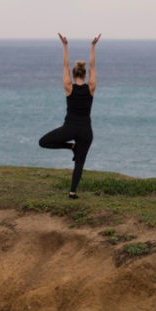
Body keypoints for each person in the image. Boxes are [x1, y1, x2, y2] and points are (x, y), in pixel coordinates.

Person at [39, 33, 101, 199]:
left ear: (74, 75)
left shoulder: (68, 87)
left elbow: (65, 66)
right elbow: (93, 66)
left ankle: (70, 147)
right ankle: (72, 192)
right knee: (80, 163)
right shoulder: (91, 87)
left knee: (43, 142)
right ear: (85, 75)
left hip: (70, 128)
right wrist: (93, 46)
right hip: (86, 130)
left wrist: (65, 46)